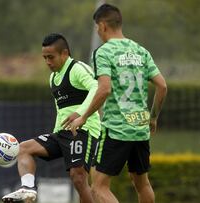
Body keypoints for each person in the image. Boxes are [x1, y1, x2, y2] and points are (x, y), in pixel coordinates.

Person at [67, 4, 167, 203]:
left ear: (103, 25)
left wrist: (83, 117)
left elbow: (104, 89)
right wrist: (153, 118)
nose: (98, 31)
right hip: (140, 127)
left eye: (97, 27)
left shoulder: (103, 52)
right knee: (142, 183)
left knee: (98, 187)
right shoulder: (141, 50)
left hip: (117, 129)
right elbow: (162, 86)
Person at [2, 33, 100, 203]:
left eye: (51, 57)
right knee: (23, 149)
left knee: (78, 178)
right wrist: (56, 134)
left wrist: (80, 114)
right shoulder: (53, 78)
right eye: (45, 58)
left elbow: (97, 87)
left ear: (65, 53)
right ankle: (28, 188)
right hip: (62, 133)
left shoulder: (76, 68)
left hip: (84, 130)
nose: (48, 62)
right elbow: (60, 109)